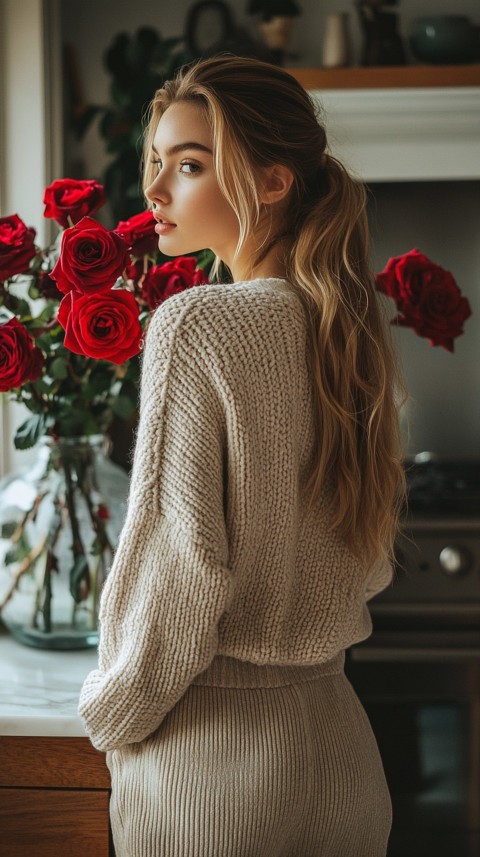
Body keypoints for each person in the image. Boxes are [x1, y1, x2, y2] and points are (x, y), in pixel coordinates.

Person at [79, 54, 406, 857]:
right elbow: (366, 559)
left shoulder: (197, 325)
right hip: (340, 752)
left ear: (271, 181)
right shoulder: (347, 331)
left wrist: (109, 714)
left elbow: (181, 565)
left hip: (214, 771)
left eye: (187, 165)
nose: (154, 191)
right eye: (155, 163)